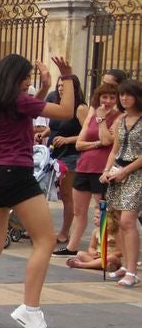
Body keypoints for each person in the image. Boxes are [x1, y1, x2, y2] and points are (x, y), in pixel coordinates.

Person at [0, 55, 77, 328]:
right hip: (15, 172)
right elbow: (66, 111)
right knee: (45, 240)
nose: (29, 82)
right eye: (26, 78)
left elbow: (22, 113)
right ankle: (30, 308)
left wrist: (42, 88)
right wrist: (67, 78)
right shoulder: (18, 100)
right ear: (14, 78)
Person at [62, 83, 120, 256]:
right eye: (104, 97)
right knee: (79, 210)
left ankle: (104, 247)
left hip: (102, 169)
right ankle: (72, 246)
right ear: (98, 98)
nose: (107, 101)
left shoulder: (118, 117)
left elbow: (108, 140)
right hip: (84, 166)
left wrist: (102, 120)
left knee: (101, 210)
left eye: (111, 97)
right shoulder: (91, 114)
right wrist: (96, 144)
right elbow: (79, 144)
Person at [101, 79, 142, 286]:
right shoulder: (120, 120)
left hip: (136, 173)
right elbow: (114, 149)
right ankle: (126, 264)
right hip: (118, 171)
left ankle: (133, 271)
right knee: (116, 220)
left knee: (128, 220)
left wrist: (125, 170)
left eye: (129, 94)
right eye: (122, 95)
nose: (124, 98)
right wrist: (107, 170)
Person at [40, 75, 86, 253]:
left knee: (67, 195)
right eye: (59, 86)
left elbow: (88, 132)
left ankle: (65, 232)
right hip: (53, 153)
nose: (60, 89)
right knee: (46, 191)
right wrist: (44, 133)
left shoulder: (80, 108)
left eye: (64, 86)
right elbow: (56, 125)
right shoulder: (58, 104)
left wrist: (68, 140)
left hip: (71, 155)